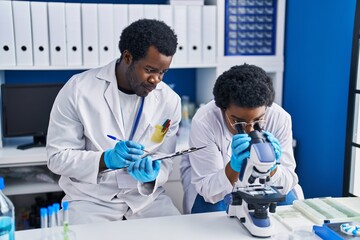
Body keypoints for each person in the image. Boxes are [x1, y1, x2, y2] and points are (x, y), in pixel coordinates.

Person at [46, 19, 182, 224]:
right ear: (127, 57)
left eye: (162, 72)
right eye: (149, 69)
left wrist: (153, 174)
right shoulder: (78, 89)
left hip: (145, 200)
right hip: (91, 200)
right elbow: (57, 158)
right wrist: (105, 160)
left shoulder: (169, 101)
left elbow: (165, 158)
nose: (156, 79)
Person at [180, 64, 304, 214]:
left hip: (262, 186)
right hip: (215, 189)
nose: (249, 130)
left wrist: (272, 168)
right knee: (212, 216)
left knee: (288, 208)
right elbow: (209, 191)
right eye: (239, 122)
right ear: (222, 108)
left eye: (258, 121)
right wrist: (234, 167)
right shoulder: (205, 121)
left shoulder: (280, 118)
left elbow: (288, 180)